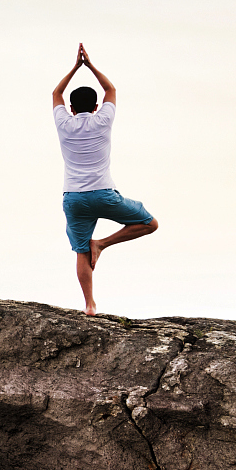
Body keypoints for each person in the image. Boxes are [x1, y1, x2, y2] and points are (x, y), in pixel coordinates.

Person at [51, 43, 158, 315]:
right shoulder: (103, 120)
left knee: (80, 250)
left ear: (72, 108)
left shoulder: (64, 123)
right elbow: (110, 89)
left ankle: (89, 305)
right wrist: (90, 65)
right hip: (103, 194)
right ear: (97, 106)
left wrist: (75, 67)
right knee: (149, 223)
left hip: (73, 198)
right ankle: (103, 243)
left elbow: (56, 93)